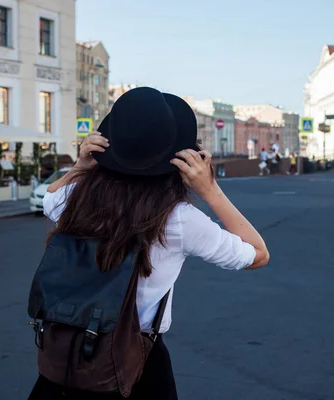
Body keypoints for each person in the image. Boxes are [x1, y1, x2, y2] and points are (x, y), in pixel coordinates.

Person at [29, 87, 270, 400]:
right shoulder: (177, 219)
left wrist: (80, 166)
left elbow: (49, 201)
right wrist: (210, 189)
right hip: (133, 367)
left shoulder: (79, 198)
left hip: (64, 355)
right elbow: (258, 254)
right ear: (181, 156)